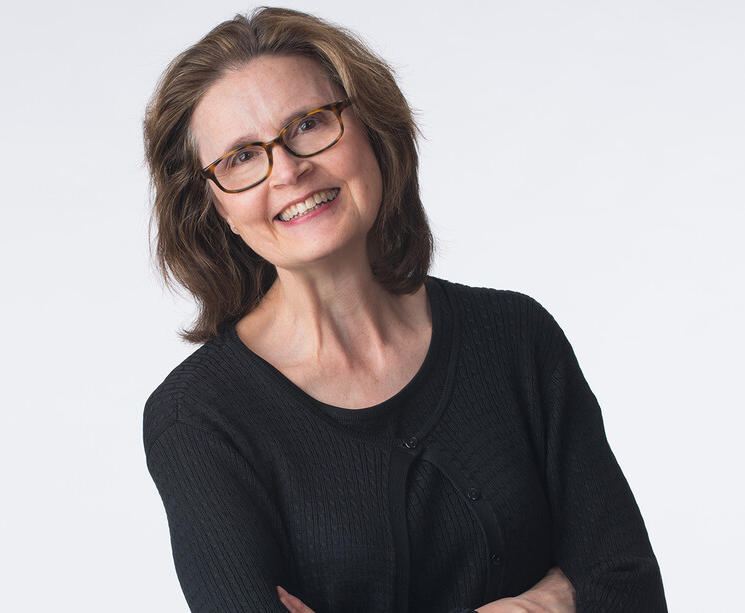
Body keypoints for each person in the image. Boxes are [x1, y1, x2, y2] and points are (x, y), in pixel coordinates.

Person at [142, 8, 667, 613]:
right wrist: (546, 602)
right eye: (240, 157)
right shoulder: (198, 419)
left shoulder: (517, 339)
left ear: (372, 130)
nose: (287, 169)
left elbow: (631, 590)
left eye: (309, 124)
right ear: (212, 207)